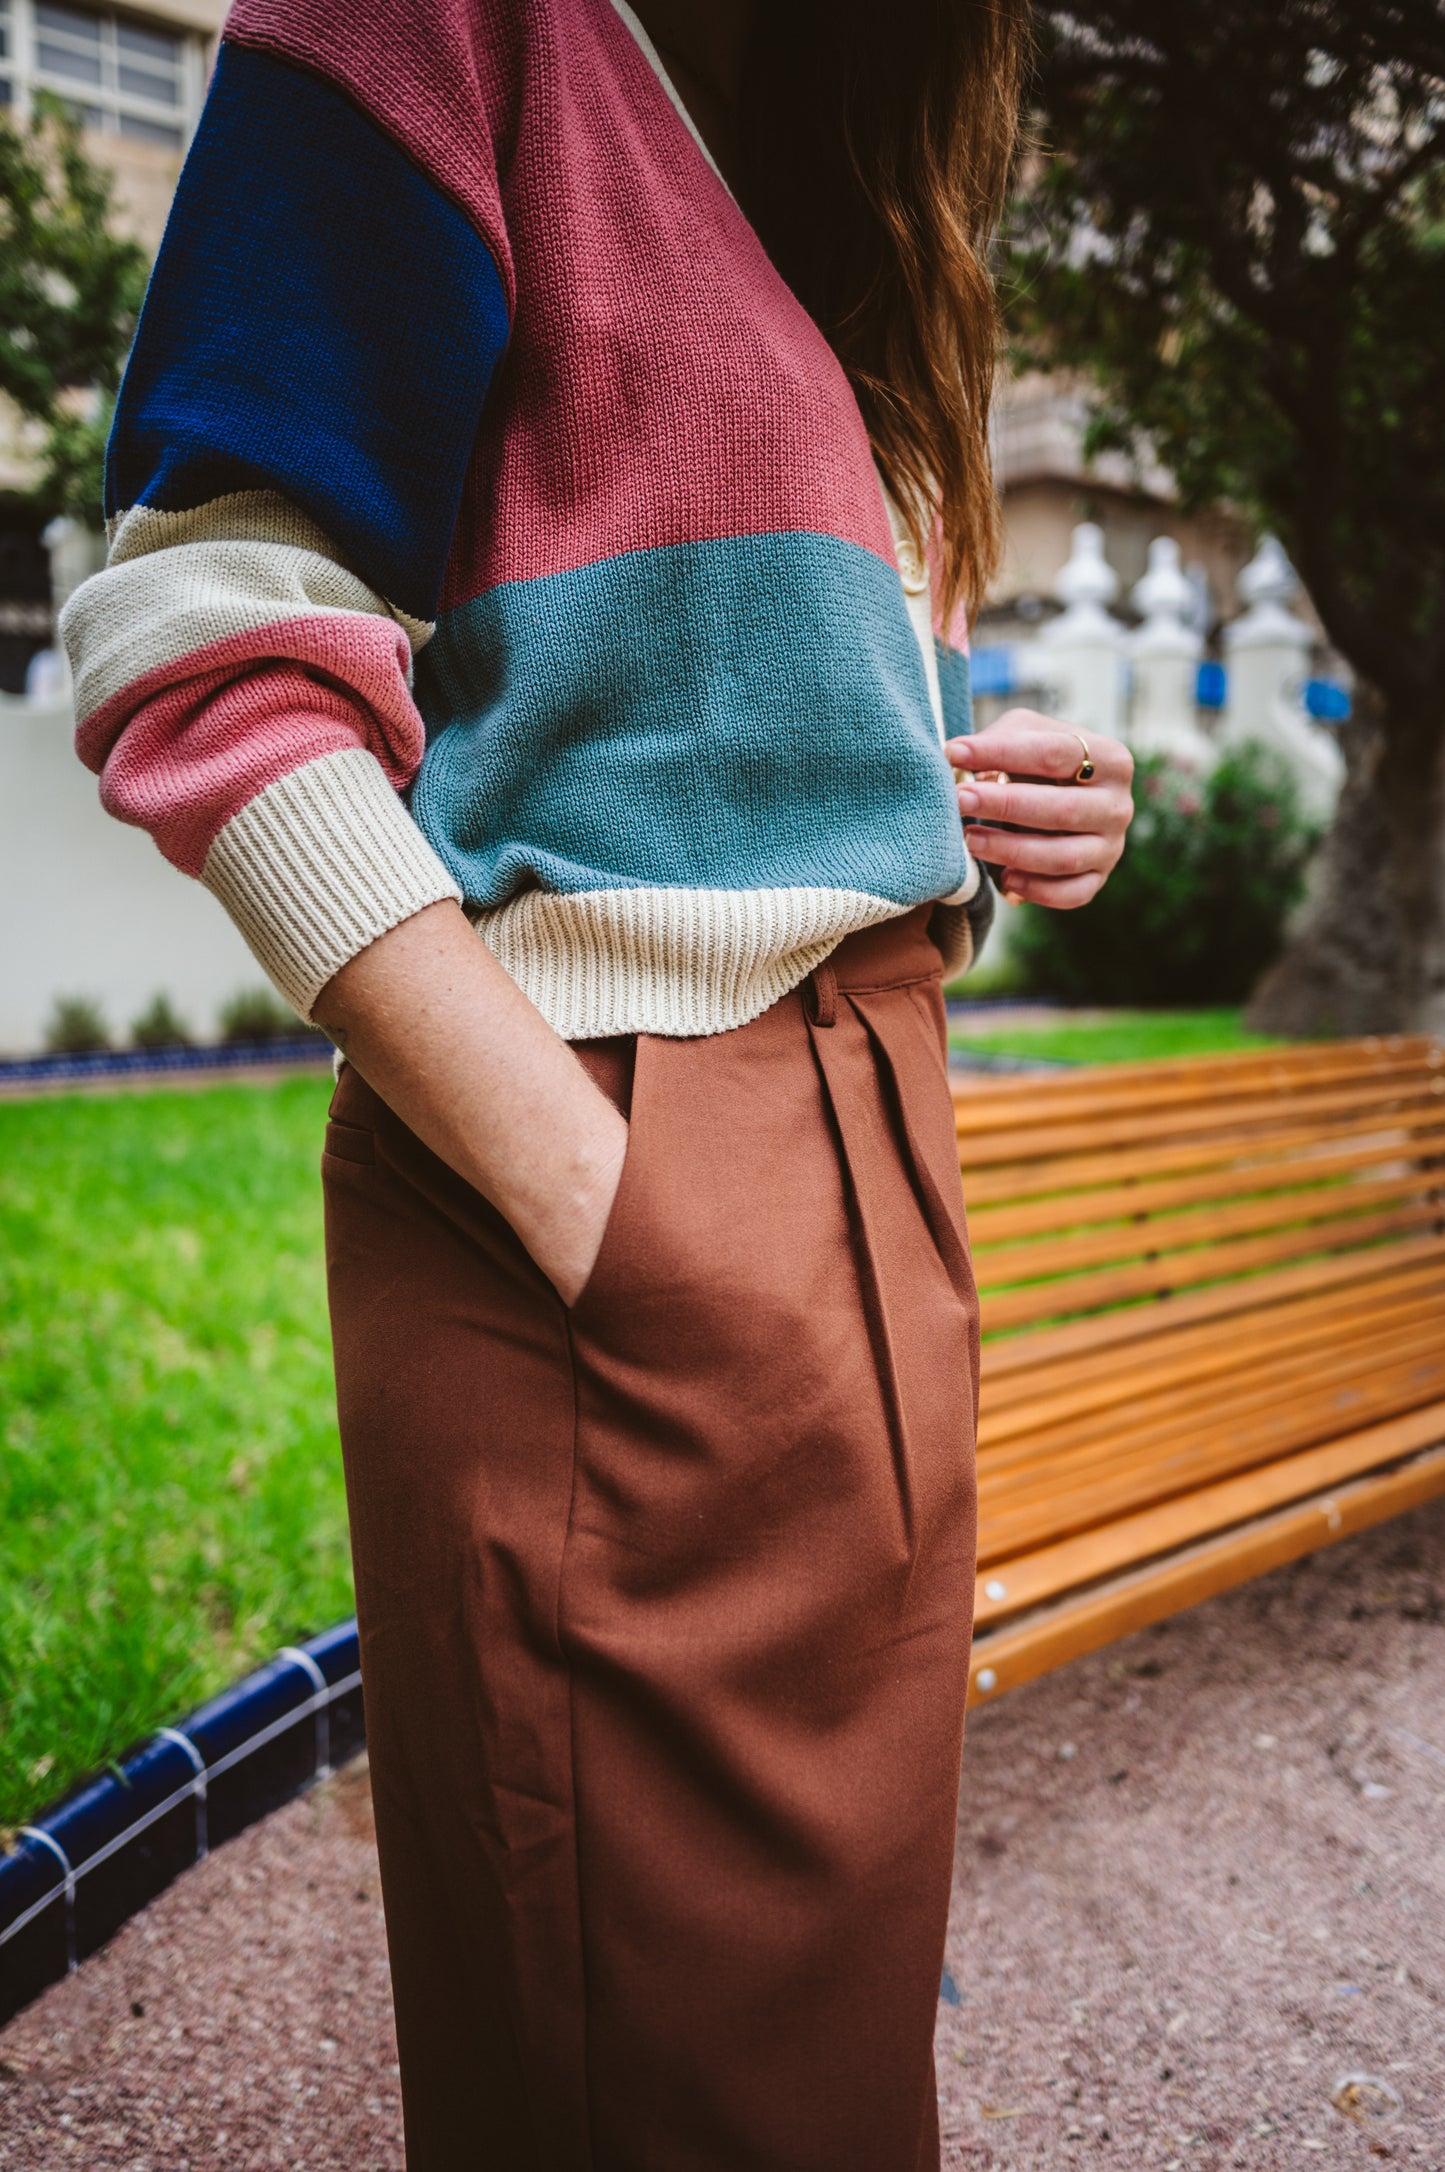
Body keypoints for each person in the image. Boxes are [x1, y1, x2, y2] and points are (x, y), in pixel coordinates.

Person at [62, 1, 1133, 2163]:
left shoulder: (820, 152)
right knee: (646, 2082)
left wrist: (967, 825)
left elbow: (674, 750)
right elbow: (209, 626)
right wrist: (602, 1201)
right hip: (625, 1184)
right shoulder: (457, 25)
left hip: (878, 1169)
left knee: (820, 2069)